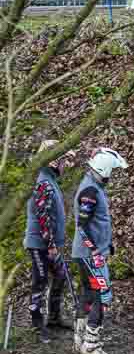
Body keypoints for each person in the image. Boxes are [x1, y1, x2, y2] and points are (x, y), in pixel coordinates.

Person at [71, 147, 128, 354]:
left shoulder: (93, 187)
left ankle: (79, 340)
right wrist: (95, 251)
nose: (111, 176)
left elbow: (95, 224)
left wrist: (106, 246)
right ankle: (91, 344)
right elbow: (82, 226)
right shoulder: (90, 192)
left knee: (88, 293)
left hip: (87, 252)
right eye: (111, 172)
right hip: (89, 254)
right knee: (103, 295)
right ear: (103, 169)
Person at [23, 140, 75, 343]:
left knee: (61, 276)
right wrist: (51, 245)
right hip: (40, 245)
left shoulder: (50, 180)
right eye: (63, 161)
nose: (65, 165)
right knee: (40, 282)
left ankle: (54, 318)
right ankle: (37, 325)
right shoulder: (43, 182)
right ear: (53, 162)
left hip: (50, 244)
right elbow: (43, 217)